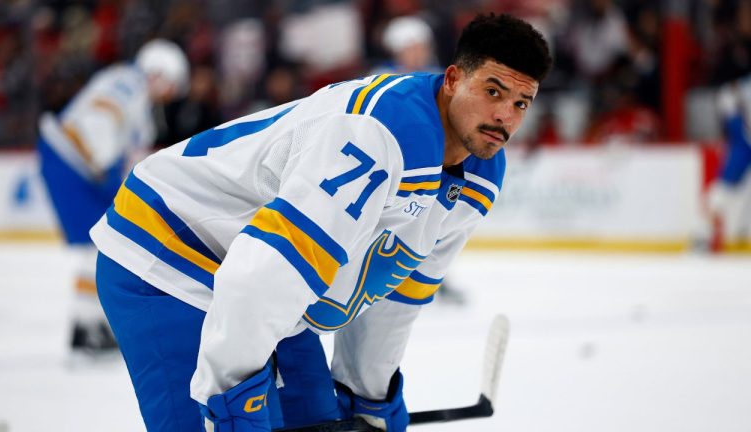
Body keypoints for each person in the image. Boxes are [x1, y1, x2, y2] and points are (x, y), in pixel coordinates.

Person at [90, 13, 551, 432]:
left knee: (316, 418)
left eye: (521, 104)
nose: (504, 117)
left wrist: (367, 398)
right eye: (493, 91)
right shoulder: (376, 135)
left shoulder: (481, 173)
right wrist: (229, 406)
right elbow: (263, 276)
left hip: (268, 287)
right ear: (453, 79)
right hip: (168, 246)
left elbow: (397, 295)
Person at [37, 39, 189, 354]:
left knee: (99, 245)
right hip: (73, 162)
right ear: (159, 73)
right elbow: (101, 120)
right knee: (99, 245)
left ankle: (87, 324)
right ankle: (86, 327)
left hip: (73, 163)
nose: (170, 92)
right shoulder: (128, 83)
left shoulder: (134, 89)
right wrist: (104, 164)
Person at [708, 75, 751, 250]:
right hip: (742, 145)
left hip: (742, 143)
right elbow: (730, 121)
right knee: (722, 190)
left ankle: (742, 229)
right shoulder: (732, 91)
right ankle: (704, 232)